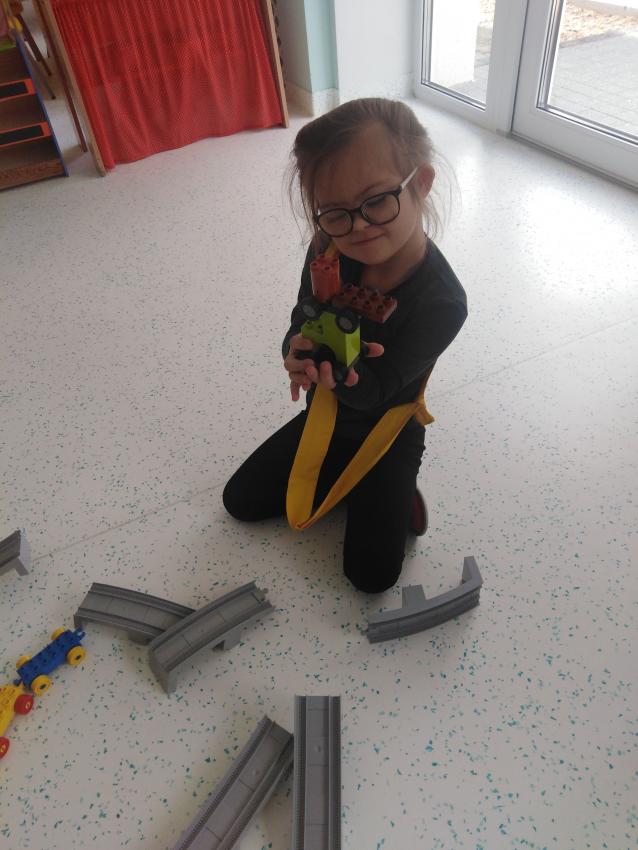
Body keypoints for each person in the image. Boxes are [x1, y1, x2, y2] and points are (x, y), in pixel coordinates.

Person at [223, 98, 467, 594]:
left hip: (387, 431)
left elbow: (381, 390)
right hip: (327, 415)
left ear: (421, 184)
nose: (357, 226)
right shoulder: (326, 248)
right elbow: (304, 316)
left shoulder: (443, 302)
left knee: (371, 577)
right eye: (335, 212)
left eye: (376, 201)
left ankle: (397, 492)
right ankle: (352, 481)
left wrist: (341, 373)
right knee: (239, 502)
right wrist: (295, 352)